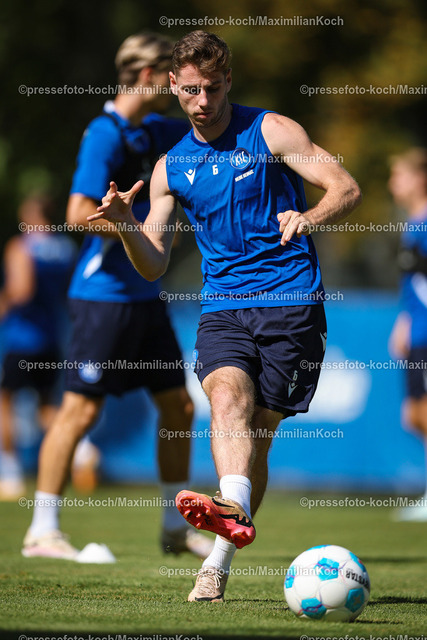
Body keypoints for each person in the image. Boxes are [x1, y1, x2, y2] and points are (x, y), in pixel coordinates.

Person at [90, 30, 362, 600]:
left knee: (258, 435)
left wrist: (309, 217)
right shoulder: (171, 166)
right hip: (223, 306)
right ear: (173, 85)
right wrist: (125, 225)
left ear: (228, 80)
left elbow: (345, 188)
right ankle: (215, 560)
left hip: (291, 304)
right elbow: (153, 263)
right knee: (225, 398)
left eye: (213, 88)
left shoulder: (271, 130)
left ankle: (221, 546)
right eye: (191, 90)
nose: (203, 101)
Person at [22, 32, 213, 561]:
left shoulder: (155, 129)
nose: (182, 91)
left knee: (177, 406)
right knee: (80, 412)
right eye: (173, 80)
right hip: (103, 296)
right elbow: (77, 213)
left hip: (144, 297)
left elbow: (216, 127)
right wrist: (135, 228)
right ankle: (42, 531)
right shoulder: (104, 134)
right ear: (149, 76)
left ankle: (174, 529)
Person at [0, 194, 76, 500]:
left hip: (22, 339)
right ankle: (81, 455)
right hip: (52, 339)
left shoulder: (21, 246)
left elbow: (21, 290)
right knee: (47, 407)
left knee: (4, 403)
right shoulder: (65, 248)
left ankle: (10, 474)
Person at [388, 148, 427, 522]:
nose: (392, 183)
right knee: (413, 416)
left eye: (399, 175)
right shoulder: (412, 224)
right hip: (416, 331)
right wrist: (404, 321)